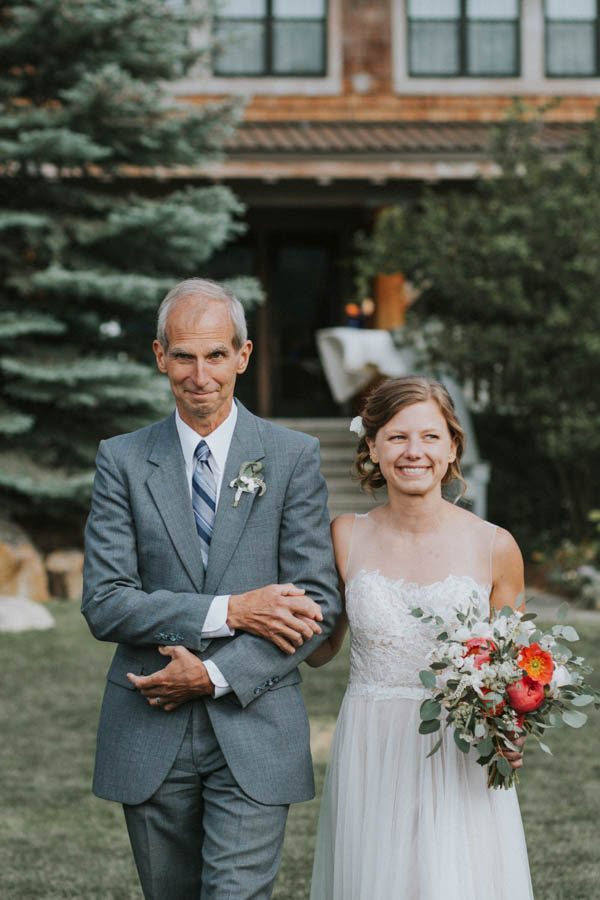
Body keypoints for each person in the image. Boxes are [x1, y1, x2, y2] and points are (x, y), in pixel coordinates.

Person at [82, 278, 340, 899]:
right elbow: (106, 600)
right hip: (149, 722)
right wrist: (235, 610)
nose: (201, 374)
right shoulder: (121, 459)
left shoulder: (291, 457)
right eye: (185, 356)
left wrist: (215, 676)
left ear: (243, 356)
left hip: (255, 721)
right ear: (159, 355)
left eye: (216, 355)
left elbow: (319, 604)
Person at [308, 376, 533, 900]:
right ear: (372, 446)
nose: (414, 452)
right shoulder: (345, 535)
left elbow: (519, 668)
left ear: (453, 446)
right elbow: (319, 650)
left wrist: (512, 729)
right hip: (370, 749)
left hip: (459, 750)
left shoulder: (495, 545)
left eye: (430, 437)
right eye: (397, 437)